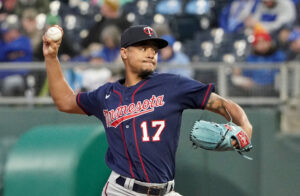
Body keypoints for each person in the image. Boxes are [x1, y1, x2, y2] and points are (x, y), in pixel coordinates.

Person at [43, 25, 252, 196]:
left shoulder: (173, 85)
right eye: (143, 47)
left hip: (165, 191)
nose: (151, 52)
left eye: (154, 49)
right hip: (122, 191)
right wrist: (51, 57)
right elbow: (65, 101)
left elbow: (221, 104)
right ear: (124, 53)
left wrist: (244, 125)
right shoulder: (105, 95)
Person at [231, 27, 286, 96]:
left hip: (273, 89)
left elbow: (280, 73)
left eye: (264, 41)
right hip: (254, 89)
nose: (262, 45)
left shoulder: (278, 55)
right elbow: (247, 74)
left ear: (269, 43)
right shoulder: (251, 58)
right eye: (258, 42)